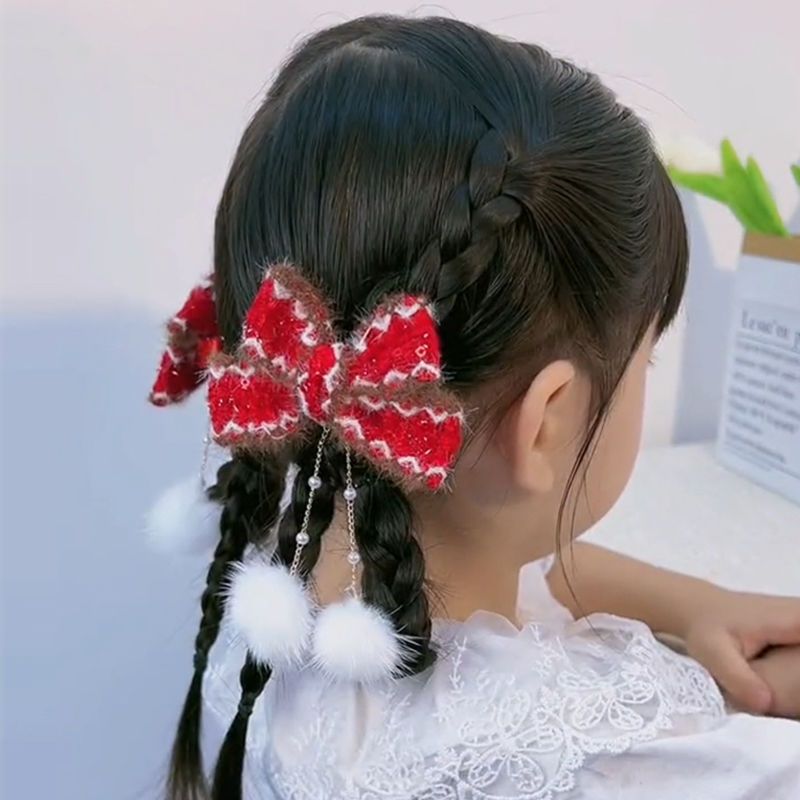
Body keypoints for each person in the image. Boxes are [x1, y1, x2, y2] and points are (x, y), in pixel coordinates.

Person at [146, 15, 800, 800]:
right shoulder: (613, 755)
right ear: (546, 419)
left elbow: (527, 558)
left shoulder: (278, 568)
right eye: (644, 360)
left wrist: (697, 605)